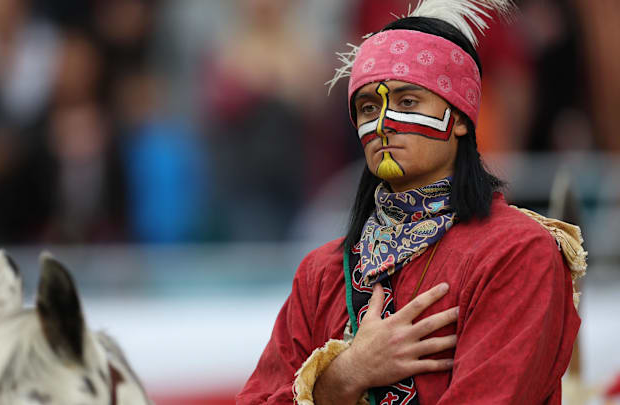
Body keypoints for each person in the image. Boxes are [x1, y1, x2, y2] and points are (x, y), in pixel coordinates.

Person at [237, 1, 586, 404]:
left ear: (458, 118)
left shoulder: (517, 251)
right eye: (368, 107)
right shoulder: (321, 274)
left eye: (407, 103)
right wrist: (344, 377)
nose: (383, 124)